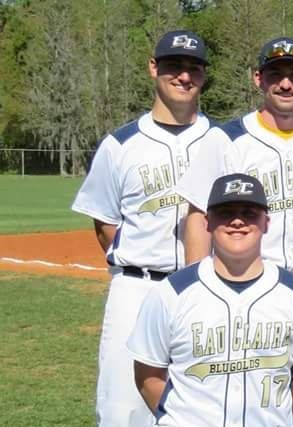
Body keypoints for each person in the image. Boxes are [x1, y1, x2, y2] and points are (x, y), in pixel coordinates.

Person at [70, 29, 215, 426]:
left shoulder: (222, 140)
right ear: (154, 68)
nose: (184, 76)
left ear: (203, 75)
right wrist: (138, 264)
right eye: (173, 66)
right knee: (124, 407)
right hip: (137, 288)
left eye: (193, 68)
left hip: (207, 289)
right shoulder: (120, 144)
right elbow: (105, 222)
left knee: (203, 403)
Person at [128, 173, 293, 427]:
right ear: (207, 223)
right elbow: (147, 375)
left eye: (249, 213)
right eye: (226, 213)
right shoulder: (170, 294)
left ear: (266, 222)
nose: (238, 221)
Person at [177, 37, 293, 288]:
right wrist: (195, 289)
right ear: (258, 79)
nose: (285, 84)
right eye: (275, 75)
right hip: (244, 284)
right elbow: (197, 216)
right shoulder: (226, 140)